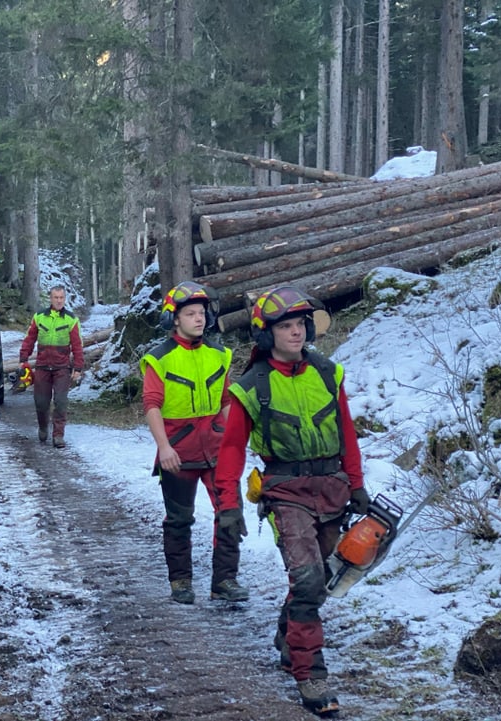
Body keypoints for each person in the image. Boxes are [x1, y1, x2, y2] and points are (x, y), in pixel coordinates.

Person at [214, 285, 370, 716]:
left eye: (300, 324)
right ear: (267, 334)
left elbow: (347, 434)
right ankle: (310, 673)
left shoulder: (327, 373)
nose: (296, 332)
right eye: (285, 326)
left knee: (320, 576)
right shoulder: (250, 387)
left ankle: (289, 637)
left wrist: (356, 484)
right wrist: (228, 505)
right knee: (306, 580)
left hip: (332, 490)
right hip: (285, 493)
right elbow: (229, 450)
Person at [140, 281, 249, 605]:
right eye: (191, 314)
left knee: (230, 512)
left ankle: (225, 581)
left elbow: (227, 401)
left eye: (201, 313)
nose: (198, 319)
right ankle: (180, 581)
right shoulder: (160, 358)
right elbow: (152, 406)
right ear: (175, 319)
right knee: (179, 520)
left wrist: (235, 441)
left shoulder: (220, 354)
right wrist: (164, 447)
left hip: (217, 449)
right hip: (179, 450)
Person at [18, 285, 84, 448]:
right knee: (41, 402)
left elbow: (77, 345)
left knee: (61, 402)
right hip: (42, 367)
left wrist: (78, 368)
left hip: (62, 368)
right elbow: (29, 339)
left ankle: (58, 435)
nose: (59, 300)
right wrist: (23, 358)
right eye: (56, 297)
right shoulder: (39, 317)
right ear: (51, 298)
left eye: (61, 297)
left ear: (65, 299)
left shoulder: (71, 319)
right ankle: (42, 427)